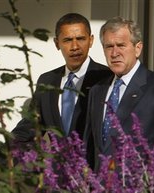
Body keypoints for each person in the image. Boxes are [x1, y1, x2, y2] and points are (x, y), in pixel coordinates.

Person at [84, 16, 154, 189]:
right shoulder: (97, 90)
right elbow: (91, 147)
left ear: (138, 48)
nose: (114, 53)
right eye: (109, 46)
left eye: (121, 45)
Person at [11, 13, 112, 143]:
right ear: (57, 43)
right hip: (57, 163)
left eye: (80, 39)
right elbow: (29, 127)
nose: (75, 47)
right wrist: (1, 155)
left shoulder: (106, 77)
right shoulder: (47, 81)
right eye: (68, 40)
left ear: (91, 40)